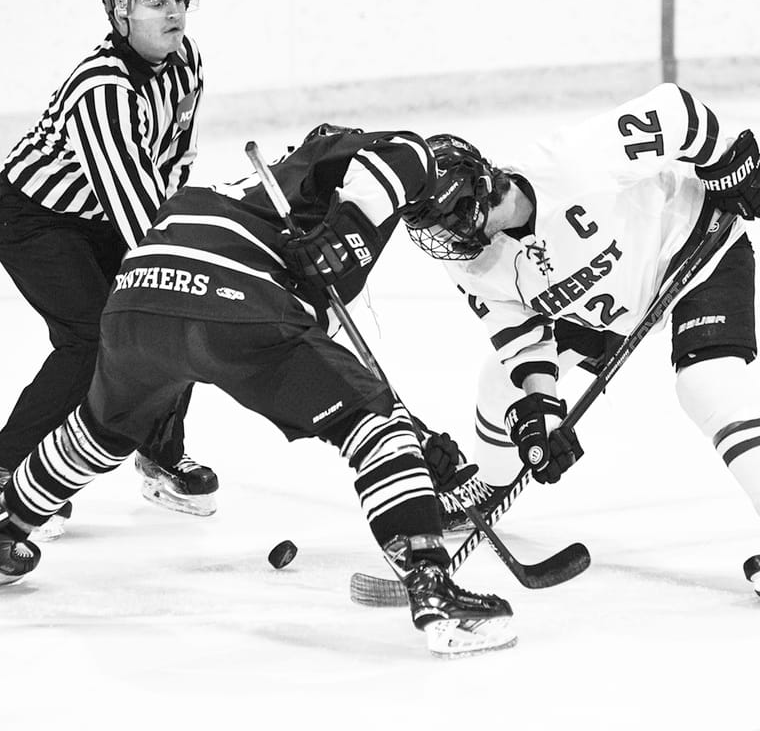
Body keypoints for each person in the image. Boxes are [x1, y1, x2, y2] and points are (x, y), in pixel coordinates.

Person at [0, 124, 516, 657]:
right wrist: (348, 235)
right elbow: (409, 151)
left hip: (138, 292)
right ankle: (435, 593)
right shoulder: (362, 167)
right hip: (230, 293)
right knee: (377, 426)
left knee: (100, 429)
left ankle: (9, 524)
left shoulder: (277, 192)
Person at [403, 82, 760, 603]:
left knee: (707, 383)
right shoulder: (474, 262)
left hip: (693, 250)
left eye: (445, 223)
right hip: (602, 308)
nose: (444, 241)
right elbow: (523, 339)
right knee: (500, 382)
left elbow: (676, 111)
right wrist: (541, 414)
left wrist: (727, 167)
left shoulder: (573, 162)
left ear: (477, 195)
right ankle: (489, 486)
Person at [0, 0, 216, 526]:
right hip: (36, 217)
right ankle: (8, 470)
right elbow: (138, 212)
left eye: (178, 0)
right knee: (92, 337)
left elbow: (169, 162)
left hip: (103, 213)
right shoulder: (103, 91)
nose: (173, 14)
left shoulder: (186, 59)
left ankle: (160, 452)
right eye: (155, 2)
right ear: (120, 14)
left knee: (168, 312)